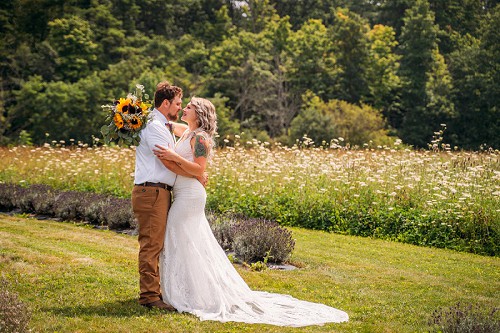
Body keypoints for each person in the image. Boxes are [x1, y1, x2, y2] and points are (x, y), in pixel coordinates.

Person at [153, 97, 349, 327]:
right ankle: (190, 289)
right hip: (183, 191)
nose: (184, 109)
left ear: (199, 114)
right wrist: (143, 118)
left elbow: (199, 169)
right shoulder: (186, 132)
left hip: (190, 196)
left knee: (179, 237)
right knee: (187, 240)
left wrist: (173, 157)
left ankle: (187, 293)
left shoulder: (200, 138)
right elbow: (166, 124)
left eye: (189, 107)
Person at [131, 81, 192, 310]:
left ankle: (156, 291)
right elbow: (166, 161)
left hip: (158, 192)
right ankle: (149, 297)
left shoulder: (162, 124)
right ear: (165, 103)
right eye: (177, 103)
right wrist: (195, 174)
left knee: (157, 243)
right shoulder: (154, 127)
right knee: (151, 245)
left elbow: (189, 132)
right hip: (152, 191)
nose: (179, 107)